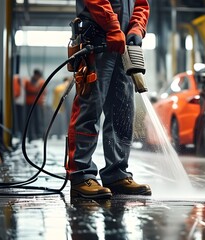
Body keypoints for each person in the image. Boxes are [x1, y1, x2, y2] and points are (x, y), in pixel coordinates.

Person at [67, 0, 151, 199]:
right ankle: (81, 176)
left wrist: (137, 29)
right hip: (96, 41)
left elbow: (141, 3)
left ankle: (117, 173)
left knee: (122, 111)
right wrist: (113, 26)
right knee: (90, 108)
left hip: (122, 46)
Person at [25, 69, 46, 143]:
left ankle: (40, 136)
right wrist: (35, 90)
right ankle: (31, 137)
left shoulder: (41, 82)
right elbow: (29, 89)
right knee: (30, 121)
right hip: (29, 104)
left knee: (39, 121)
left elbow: (42, 91)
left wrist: (34, 90)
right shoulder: (28, 81)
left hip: (38, 104)